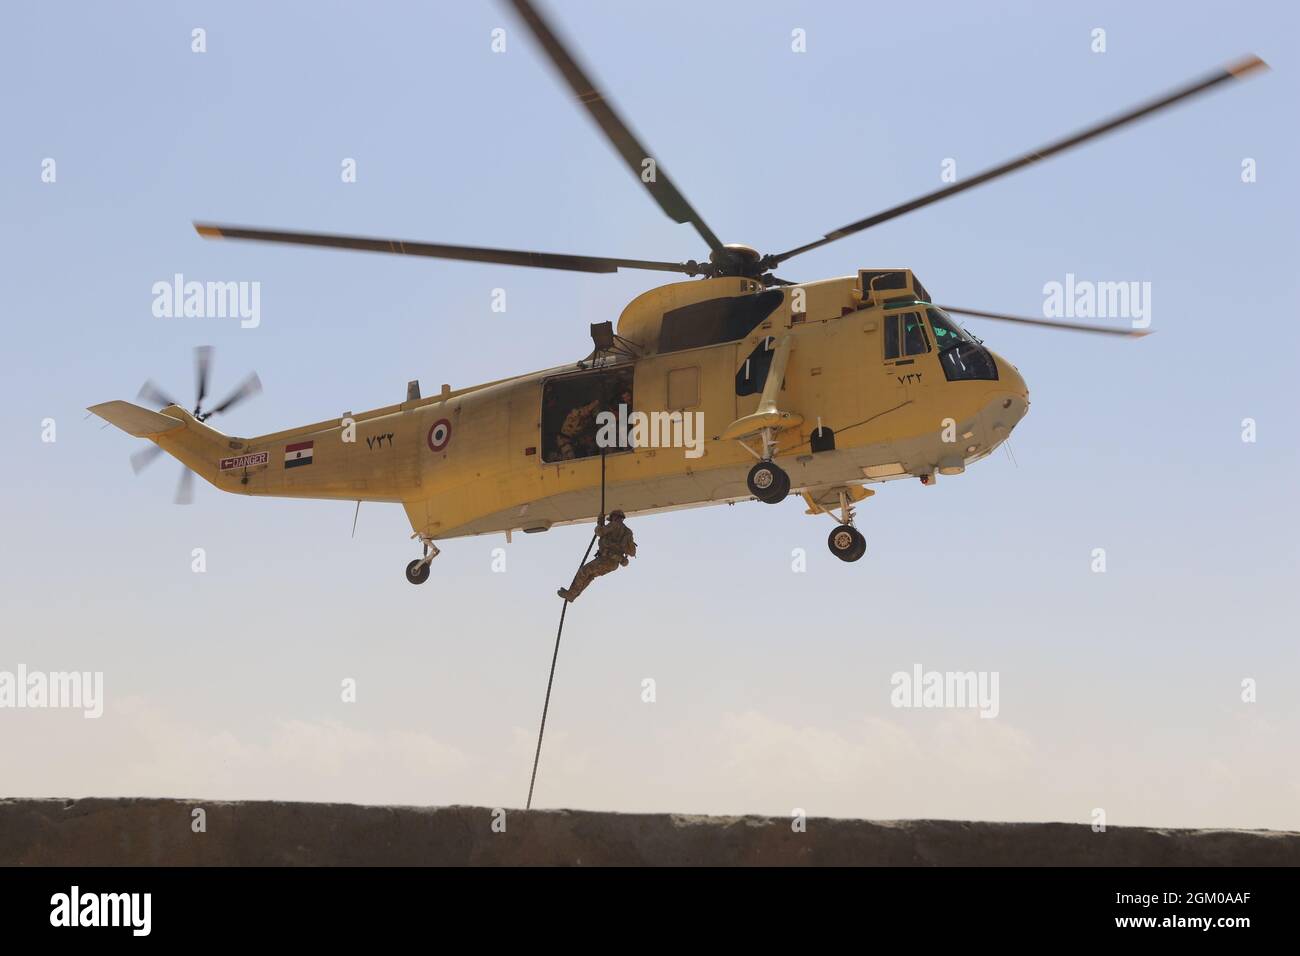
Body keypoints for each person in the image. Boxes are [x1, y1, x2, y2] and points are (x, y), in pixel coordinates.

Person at [558, 510, 637, 602]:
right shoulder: (628, 532)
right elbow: (632, 552)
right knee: (590, 576)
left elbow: (599, 532)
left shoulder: (614, 524)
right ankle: (572, 595)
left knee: (584, 571)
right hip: (613, 563)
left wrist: (599, 523)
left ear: (614, 517)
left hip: (606, 559)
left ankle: (571, 594)